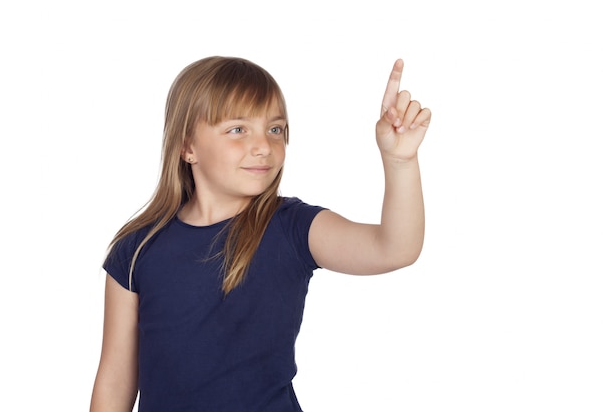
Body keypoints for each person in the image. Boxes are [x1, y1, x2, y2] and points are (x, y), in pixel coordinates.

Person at [89, 56, 431, 412]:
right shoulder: (137, 248)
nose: (264, 146)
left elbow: (394, 249)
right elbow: (115, 380)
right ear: (187, 146)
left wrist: (400, 162)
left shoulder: (292, 227)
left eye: (275, 129)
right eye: (238, 129)